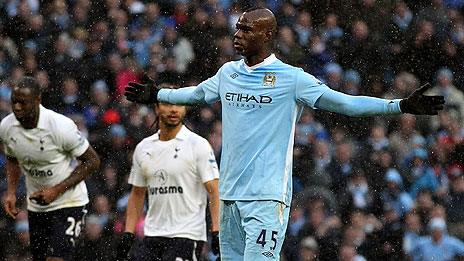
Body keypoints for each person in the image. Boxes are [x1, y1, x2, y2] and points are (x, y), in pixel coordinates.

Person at [124, 7, 445, 260]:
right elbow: (194, 95)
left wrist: (399, 105)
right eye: (237, 27)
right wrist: (159, 95)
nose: (237, 34)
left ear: (267, 35)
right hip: (230, 196)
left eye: (246, 30)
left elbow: (345, 103)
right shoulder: (228, 73)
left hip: (266, 197)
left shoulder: (292, 78)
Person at [1, 76, 101, 261]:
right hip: (38, 206)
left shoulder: (60, 126)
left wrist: (56, 190)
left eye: (23, 103)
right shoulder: (7, 127)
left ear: (38, 100)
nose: (17, 108)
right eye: (14, 102)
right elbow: (12, 158)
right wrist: (12, 192)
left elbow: (92, 161)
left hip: (69, 202)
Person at [116, 85, 220, 261]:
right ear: (156, 108)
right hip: (152, 234)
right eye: (167, 103)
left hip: (187, 235)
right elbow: (137, 193)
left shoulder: (198, 145)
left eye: (179, 104)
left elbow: (214, 190)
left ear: (185, 108)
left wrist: (217, 231)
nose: (173, 109)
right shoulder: (143, 148)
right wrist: (128, 232)